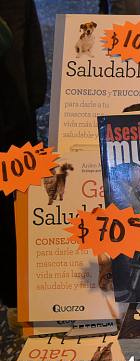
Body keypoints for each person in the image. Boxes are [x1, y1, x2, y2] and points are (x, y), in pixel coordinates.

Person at [0, 0, 47, 308]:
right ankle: (17, 287)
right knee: (15, 202)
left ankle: (17, 287)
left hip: (14, 113)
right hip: (13, 115)